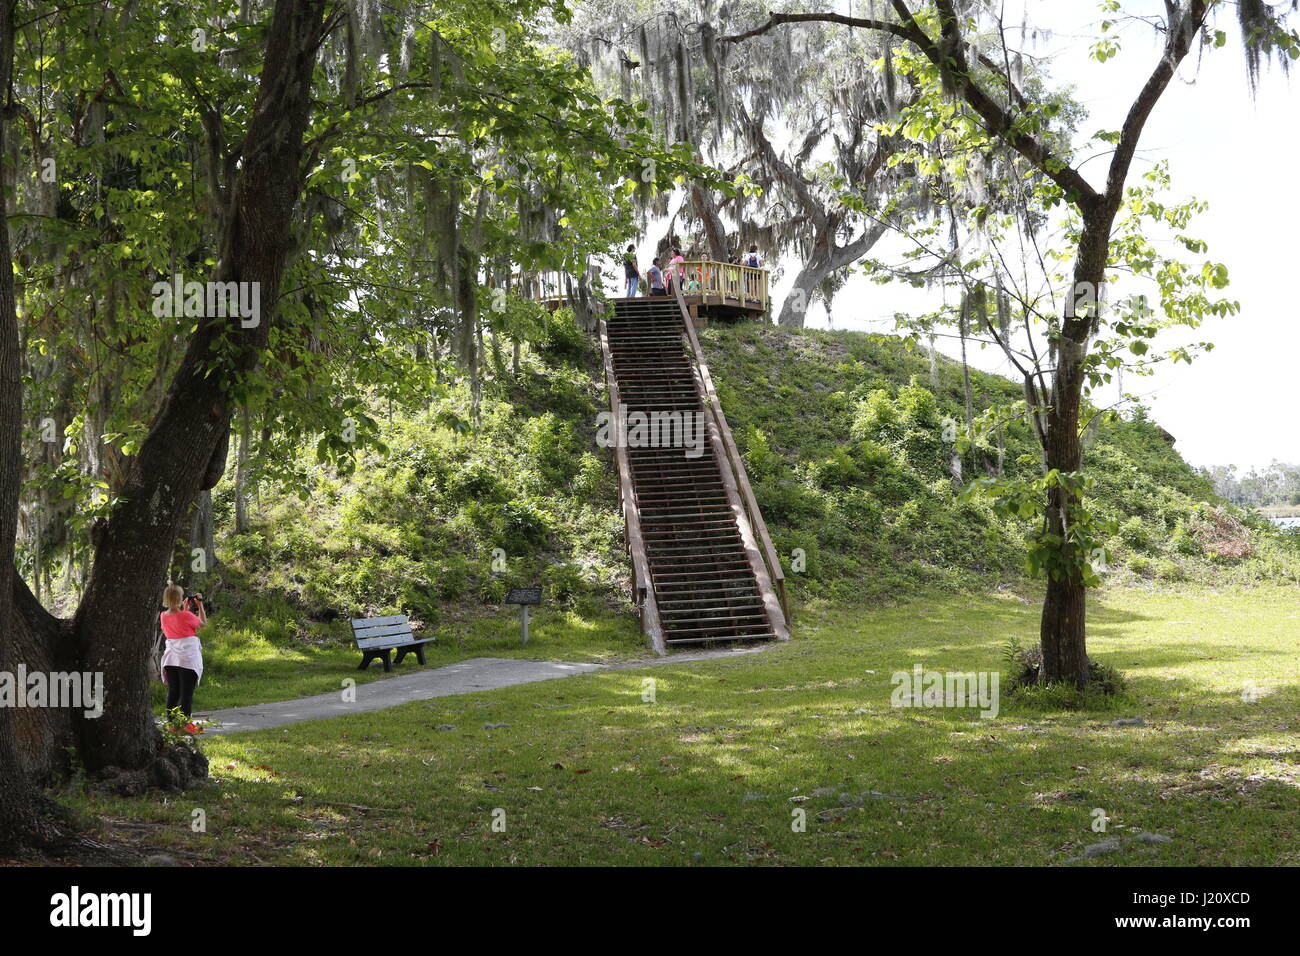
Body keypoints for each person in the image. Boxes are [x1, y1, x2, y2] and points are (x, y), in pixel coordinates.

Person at [159, 583, 206, 719]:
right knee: (186, 694)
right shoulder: (186, 615)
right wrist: (200, 605)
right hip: (188, 659)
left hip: (171, 658)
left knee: (173, 692)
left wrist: (185, 609)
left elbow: (177, 625)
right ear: (179, 598)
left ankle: (172, 724)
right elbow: (202, 624)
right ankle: (185, 724)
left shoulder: (163, 615)